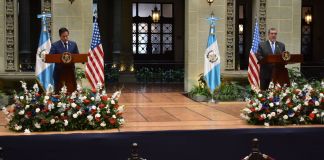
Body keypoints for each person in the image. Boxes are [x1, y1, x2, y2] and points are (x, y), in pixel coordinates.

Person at [49, 27, 79, 93]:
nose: (65, 38)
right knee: (58, 92)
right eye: (63, 36)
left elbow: (77, 56)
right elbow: (50, 57)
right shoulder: (55, 45)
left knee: (72, 91)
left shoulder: (73, 44)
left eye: (67, 36)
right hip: (59, 72)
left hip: (70, 72)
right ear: (60, 36)